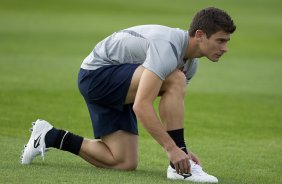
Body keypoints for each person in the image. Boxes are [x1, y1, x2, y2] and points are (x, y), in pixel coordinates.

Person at [21, 7, 236, 183]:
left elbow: (170, 103)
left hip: (123, 84)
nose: (225, 47)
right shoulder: (168, 47)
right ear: (200, 35)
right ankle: (178, 170)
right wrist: (174, 149)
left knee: (123, 162)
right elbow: (142, 105)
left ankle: (50, 136)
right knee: (176, 78)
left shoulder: (191, 65)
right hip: (96, 77)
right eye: (221, 40)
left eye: (226, 41)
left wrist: (182, 152)